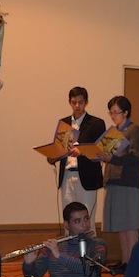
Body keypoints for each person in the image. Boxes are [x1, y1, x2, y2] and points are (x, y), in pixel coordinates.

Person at [47, 87, 106, 229]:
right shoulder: (65, 123)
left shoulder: (96, 123)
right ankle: (70, 243)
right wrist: (53, 156)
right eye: (74, 103)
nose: (77, 106)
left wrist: (83, 151)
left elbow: (102, 151)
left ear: (86, 102)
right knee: (69, 217)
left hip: (87, 176)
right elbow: (58, 149)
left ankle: (88, 244)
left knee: (87, 217)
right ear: (69, 102)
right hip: (67, 175)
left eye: (81, 102)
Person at [99, 95, 139, 266]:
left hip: (127, 181)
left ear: (126, 112)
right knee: (120, 223)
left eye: (116, 112)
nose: (113, 116)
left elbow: (135, 157)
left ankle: (132, 262)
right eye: (111, 113)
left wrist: (112, 159)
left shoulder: (134, 130)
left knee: (130, 223)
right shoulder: (113, 133)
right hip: (113, 181)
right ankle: (125, 260)